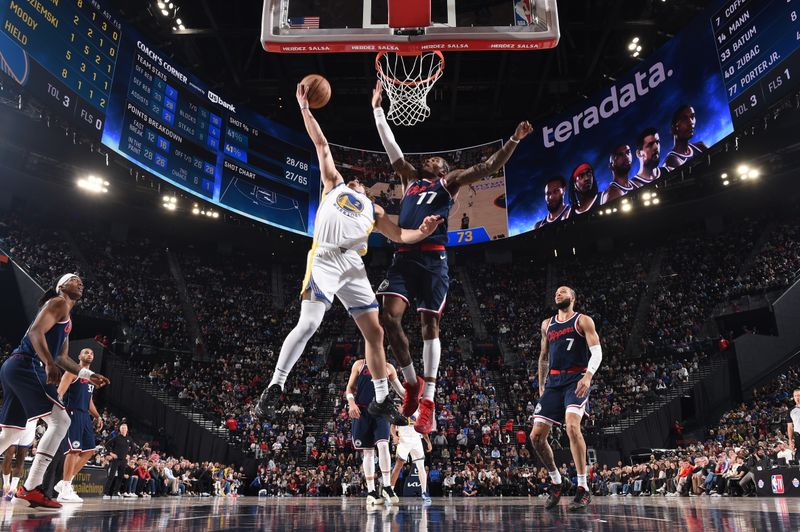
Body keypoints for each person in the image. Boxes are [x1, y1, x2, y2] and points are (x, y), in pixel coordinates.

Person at [254, 83, 443, 424]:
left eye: (361, 182)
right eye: (354, 180)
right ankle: (275, 385)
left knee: (376, 331)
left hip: (353, 265)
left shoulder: (375, 210)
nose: (357, 181)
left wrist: (424, 231)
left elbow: (401, 234)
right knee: (310, 322)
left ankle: (384, 398)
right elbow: (322, 145)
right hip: (326, 258)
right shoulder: (335, 184)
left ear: (367, 190)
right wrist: (305, 111)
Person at [371, 79, 533, 434]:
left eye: (436, 158)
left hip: (433, 258)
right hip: (403, 255)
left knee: (430, 326)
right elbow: (391, 145)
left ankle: (428, 398)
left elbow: (487, 167)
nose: (430, 157)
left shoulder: (449, 182)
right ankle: (411, 383)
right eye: (429, 157)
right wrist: (378, 109)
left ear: (442, 169)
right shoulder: (409, 178)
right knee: (388, 318)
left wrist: (514, 140)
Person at [0, 274, 109, 509]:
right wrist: (48, 363)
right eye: (73, 279)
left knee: (9, 435)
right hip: (27, 364)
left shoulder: (66, 317)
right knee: (61, 421)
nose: (80, 282)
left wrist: (89, 375)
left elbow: (62, 357)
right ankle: (31, 487)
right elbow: (35, 333)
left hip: (15, 367)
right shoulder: (58, 302)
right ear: (61, 286)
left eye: (82, 280)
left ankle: (30, 487)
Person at [531, 286, 602, 511]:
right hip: (553, 382)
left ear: (572, 297)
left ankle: (583, 488)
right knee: (536, 437)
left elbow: (597, 351)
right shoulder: (546, 324)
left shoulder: (583, 321)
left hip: (576, 379)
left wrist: (588, 376)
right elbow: (543, 357)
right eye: (556, 293)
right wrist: (541, 384)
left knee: (572, 427)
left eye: (562, 292)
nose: (557, 294)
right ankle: (557, 481)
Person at [345, 357, 404, 506]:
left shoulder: (388, 367)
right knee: (368, 452)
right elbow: (350, 388)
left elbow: (401, 391)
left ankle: (387, 487)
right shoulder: (359, 364)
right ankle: (371, 491)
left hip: (381, 410)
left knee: (383, 445)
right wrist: (351, 402)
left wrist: (418, 398)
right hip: (362, 411)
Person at [54, 347, 104, 503]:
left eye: (92, 353)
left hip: (84, 416)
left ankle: (64, 484)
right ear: (79, 356)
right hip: (72, 413)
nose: (89, 354)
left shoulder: (90, 378)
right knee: (74, 451)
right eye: (86, 352)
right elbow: (59, 393)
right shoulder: (72, 372)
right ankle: (65, 490)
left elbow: (88, 400)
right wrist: (59, 412)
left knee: (89, 451)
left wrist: (97, 416)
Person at [390, 406, 434, 504]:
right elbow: (392, 427)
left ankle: (424, 492)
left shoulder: (418, 412)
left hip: (416, 440)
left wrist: (428, 441)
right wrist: (394, 436)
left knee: (421, 467)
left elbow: (422, 428)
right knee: (398, 466)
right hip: (403, 441)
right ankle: (390, 492)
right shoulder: (400, 411)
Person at [1, 420, 37, 501]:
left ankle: (13, 489)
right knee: (8, 455)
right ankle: (6, 484)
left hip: (30, 424)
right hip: (15, 421)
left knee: (21, 458)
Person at [663, 105, 707, 171]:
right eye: (684, 119)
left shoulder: (700, 146)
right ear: (673, 129)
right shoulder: (672, 160)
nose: (691, 122)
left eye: (692, 117)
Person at [102, 423, 134, 499]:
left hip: (123, 461)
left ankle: (115, 493)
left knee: (120, 477)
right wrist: (111, 453)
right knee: (111, 476)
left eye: (125, 428)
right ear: (120, 429)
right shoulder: (116, 438)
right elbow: (107, 445)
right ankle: (106, 493)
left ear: (127, 429)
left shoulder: (129, 438)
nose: (124, 429)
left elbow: (133, 447)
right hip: (116, 460)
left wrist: (129, 454)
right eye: (122, 428)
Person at [786, 388, 800, 455]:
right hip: (798, 437)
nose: (797, 398)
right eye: (795, 396)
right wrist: (790, 440)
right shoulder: (790, 411)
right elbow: (790, 427)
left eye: (799, 395)